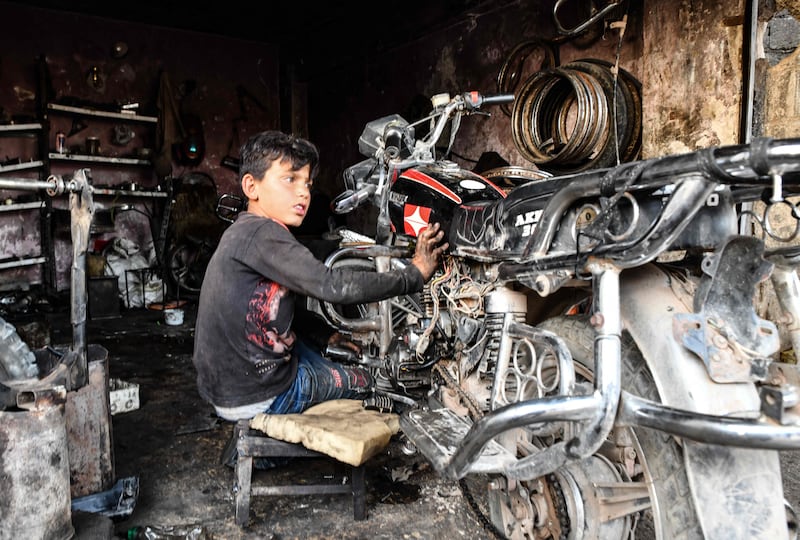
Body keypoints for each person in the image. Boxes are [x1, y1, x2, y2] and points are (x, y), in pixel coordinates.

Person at [192, 130, 447, 421]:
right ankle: (269, 446)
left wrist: (325, 335)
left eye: (307, 183)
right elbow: (332, 285)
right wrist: (413, 275)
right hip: (258, 394)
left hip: (229, 385)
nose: (304, 192)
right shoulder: (264, 233)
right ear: (252, 186)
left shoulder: (244, 229)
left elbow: (265, 310)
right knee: (367, 381)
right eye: (290, 179)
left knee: (327, 356)